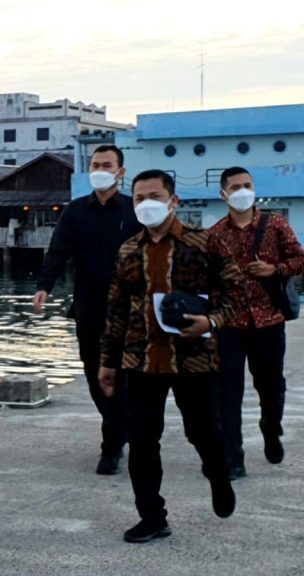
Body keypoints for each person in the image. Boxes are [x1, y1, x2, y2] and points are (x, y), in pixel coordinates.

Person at [99, 169, 243, 543]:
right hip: (140, 360)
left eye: (155, 196)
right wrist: (107, 361)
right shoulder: (128, 250)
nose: (147, 204)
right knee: (142, 441)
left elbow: (237, 293)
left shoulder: (205, 243)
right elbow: (116, 310)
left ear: (173, 201)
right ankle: (152, 517)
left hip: (194, 359)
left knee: (204, 432)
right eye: (139, 198)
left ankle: (218, 476)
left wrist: (211, 321)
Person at [33, 144, 141, 474]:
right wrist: (44, 286)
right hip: (89, 307)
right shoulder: (75, 211)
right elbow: (57, 251)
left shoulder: (134, 210)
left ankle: (111, 447)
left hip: (130, 310)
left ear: (121, 172)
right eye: (95, 165)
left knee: (120, 377)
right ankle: (119, 427)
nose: (100, 170)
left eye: (107, 165)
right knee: (95, 376)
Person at [209, 166, 304, 479]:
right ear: (224, 194)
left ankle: (271, 428)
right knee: (227, 393)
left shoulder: (275, 225)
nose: (243, 191)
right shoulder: (215, 234)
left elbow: (300, 259)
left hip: (269, 321)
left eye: (247, 185)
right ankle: (233, 457)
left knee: (271, 388)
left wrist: (275, 269)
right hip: (230, 324)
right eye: (236, 187)